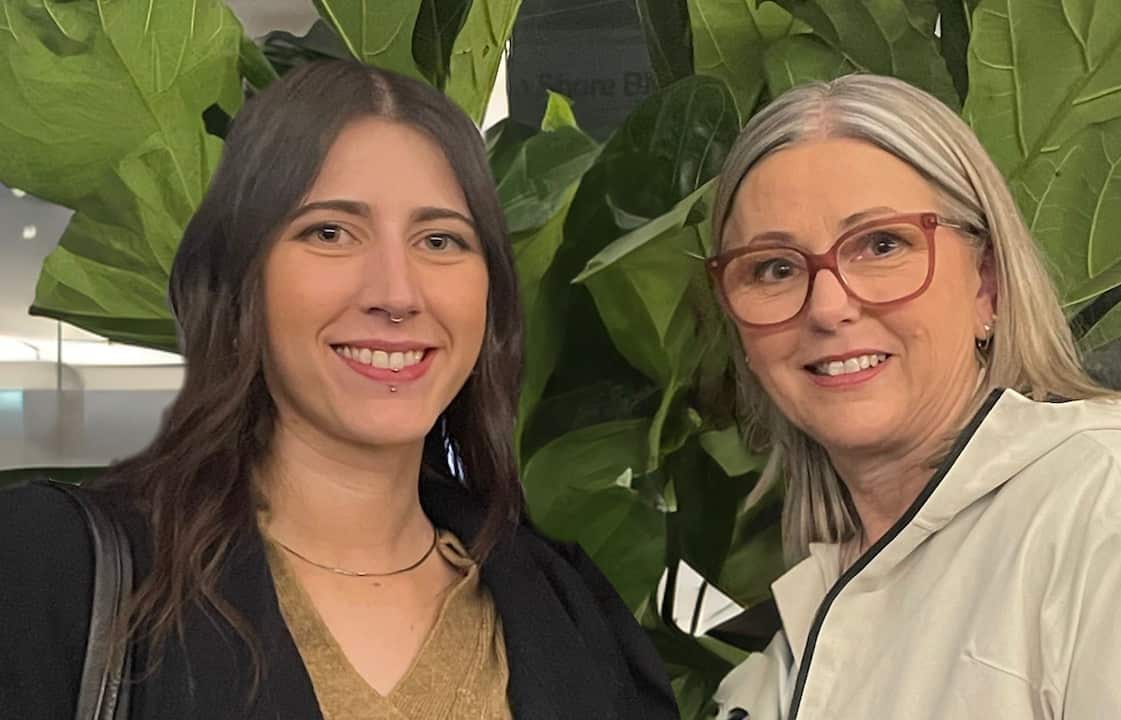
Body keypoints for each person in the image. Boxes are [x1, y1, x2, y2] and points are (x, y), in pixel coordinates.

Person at [0, 60, 677, 720]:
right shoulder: (56, 573)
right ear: (241, 282)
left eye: (440, 240)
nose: (396, 293)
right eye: (330, 232)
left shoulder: (571, 613)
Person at [707, 74, 1121, 719]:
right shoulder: (808, 611)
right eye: (774, 268)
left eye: (882, 245)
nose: (829, 306)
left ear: (987, 284)